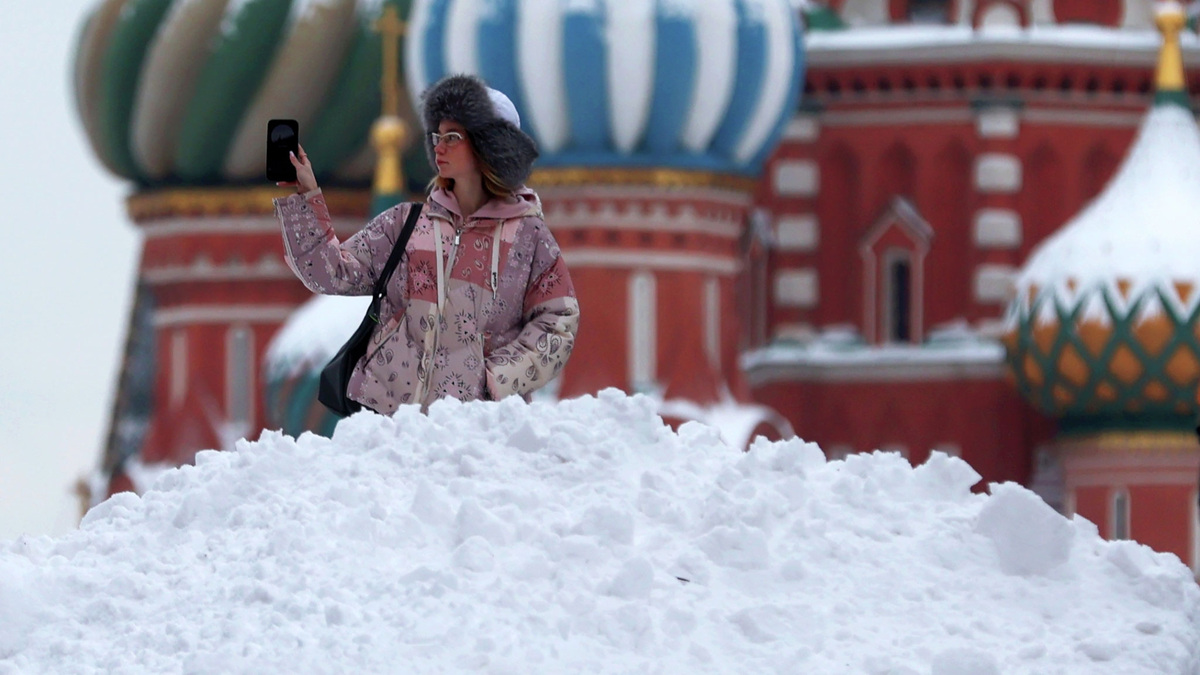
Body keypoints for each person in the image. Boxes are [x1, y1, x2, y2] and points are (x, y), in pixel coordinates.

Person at [273, 74, 579, 414]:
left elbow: (558, 321)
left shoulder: (529, 238)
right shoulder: (406, 224)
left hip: (476, 427)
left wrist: (496, 379)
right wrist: (306, 197)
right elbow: (330, 274)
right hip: (390, 420)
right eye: (437, 135)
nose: (438, 146)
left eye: (452, 136)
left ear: (490, 146)